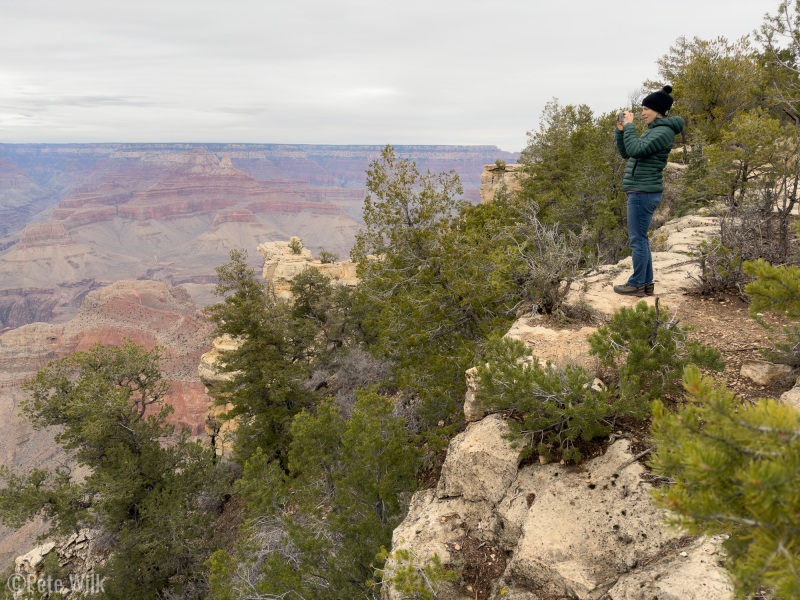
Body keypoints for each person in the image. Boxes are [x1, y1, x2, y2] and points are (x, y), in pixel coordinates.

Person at [613, 85, 684, 296]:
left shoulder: (662, 132)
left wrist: (630, 127)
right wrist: (621, 130)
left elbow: (635, 148)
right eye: (642, 109)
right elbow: (628, 153)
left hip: (643, 192)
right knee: (640, 238)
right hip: (640, 191)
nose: (643, 113)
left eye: (646, 109)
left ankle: (636, 284)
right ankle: (645, 283)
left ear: (659, 111)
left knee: (637, 239)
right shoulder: (654, 131)